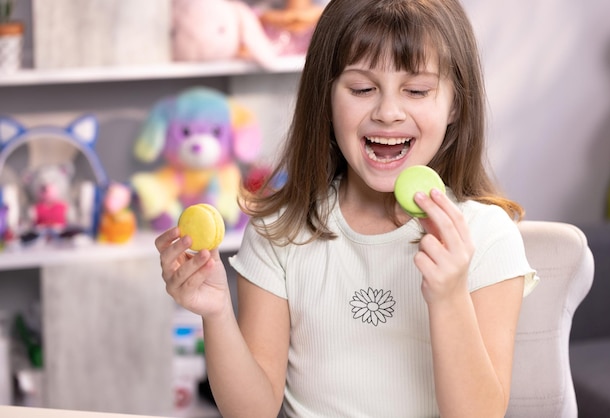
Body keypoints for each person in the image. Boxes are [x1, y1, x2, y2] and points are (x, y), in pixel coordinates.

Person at [155, 0, 538, 416]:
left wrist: (449, 297)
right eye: (361, 89)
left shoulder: (487, 236)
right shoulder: (280, 232)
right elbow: (252, 411)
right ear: (326, 98)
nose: (388, 112)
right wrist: (216, 314)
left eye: (416, 91)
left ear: (455, 106)